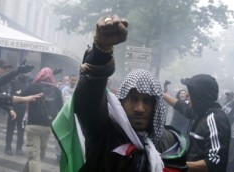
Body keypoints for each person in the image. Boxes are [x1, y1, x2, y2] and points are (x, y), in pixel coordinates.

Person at [52, 15, 187, 172]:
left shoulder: (171, 143)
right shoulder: (104, 131)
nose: (139, 108)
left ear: (157, 105)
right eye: (133, 98)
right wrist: (101, 51)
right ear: (121, 101)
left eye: (147, 101)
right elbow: (89, 100)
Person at [163, 75, 231, 172]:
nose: (188, 97)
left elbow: (215, 162)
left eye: (190, 95)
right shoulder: (200, 111)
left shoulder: (215, 119)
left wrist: (177, 164)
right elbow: (180, 105)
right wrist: (161, 95)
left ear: (199, 97)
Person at [22, 67, 63, 172]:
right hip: (48, 126)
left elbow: (20, 96)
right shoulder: (56, 90)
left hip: (33, 125)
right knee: (37, 155)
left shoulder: (34, 86)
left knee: (35, 155)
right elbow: (61, 108)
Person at [4, 74, 29, 155]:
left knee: (21, 130)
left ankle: (19, 148)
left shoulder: (28, 82)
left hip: (23, 109)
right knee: (10, 129)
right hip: (13, 108)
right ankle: (8, 147)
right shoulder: (13, 81)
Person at [222, 92, 234, 172]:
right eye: (227, 95)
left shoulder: (231, 105)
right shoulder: (227, 105)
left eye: (229, 95)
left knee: (230, 155)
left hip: (231, 134)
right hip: (228, 133)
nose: (226, 97)